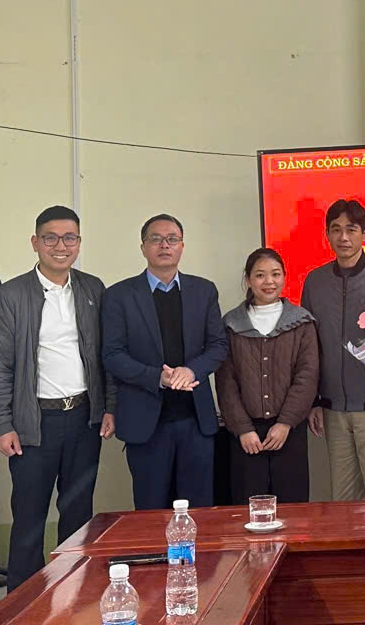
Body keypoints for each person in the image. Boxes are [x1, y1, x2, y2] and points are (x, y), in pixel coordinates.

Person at [0, 205, 116, 591]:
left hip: (83, 418)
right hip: (33, 422)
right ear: (35, 243)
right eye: (51, 238)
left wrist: (109, 407)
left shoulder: (93, 289)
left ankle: (75, 596)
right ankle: (24, 604)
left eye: (69, 238)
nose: (61, 246)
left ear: (79, 242)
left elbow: (106, 355)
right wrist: (2, 424)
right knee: (29, 516)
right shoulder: (11, 294)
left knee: (78, 514)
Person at [101, 213, 228, 509]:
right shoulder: (119, 295)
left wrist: (191, 370)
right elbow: (112, 355)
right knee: (151, 511)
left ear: (182, 246)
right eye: (155, 239)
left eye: (172, 239)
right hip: (146, 423)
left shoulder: (203, 290)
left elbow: (218, 345)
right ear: (143, 247)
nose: (164, 245)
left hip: (196, 422)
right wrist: (157, 377)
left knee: (199, 510)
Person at [303, 199, 365, 501]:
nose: (343, 237)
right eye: (336, 229)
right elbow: (309, 346)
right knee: (342, 502)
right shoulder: (315, 281)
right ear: (327, 235)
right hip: (332, 408)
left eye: (351, 229)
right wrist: (314, 399)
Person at [215, 248, 319, 504]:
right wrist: (243, 430)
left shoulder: (302, 322)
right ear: (248, 279)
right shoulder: (230, 324)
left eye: (275, 274)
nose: (269, 281)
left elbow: (307, 376)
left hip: (289, 431)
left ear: (284, 277)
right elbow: (226, 382)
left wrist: (285, 423)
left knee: (293, 508)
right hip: (245, 436)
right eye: (260, 275)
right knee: (248, 508)